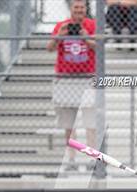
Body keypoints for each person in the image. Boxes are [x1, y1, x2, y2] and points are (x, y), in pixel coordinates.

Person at [47, 0, 97, 171]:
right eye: (76, 7)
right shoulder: (62, 26)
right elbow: (49, 48)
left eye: (81, 8)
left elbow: (100, 47)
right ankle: (72, 160)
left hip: (87, 77)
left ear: (85, 9)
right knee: (69, 124)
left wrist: (86, 37)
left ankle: (92, 159)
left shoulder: (92, 25)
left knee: (91, 122)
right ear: (71, 9)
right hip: (66, 78)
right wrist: (59, 36)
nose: (79, 10)